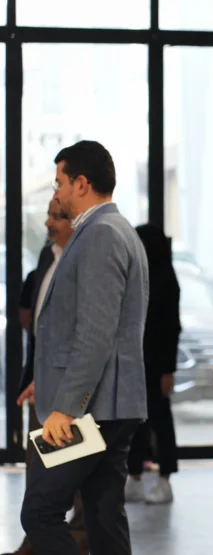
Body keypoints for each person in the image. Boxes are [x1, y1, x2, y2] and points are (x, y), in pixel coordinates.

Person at [21, 141, 149, 555]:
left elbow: (96, 333)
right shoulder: (113, 230)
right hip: (110, 404)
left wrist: (66, 406)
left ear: (81, 183)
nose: (56, 193)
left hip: (95, 407)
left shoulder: (101, 234)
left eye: (59, 182)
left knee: (40, 511)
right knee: (103, 514)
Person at [5, 200, 87, 555]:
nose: (48, 223)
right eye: (49, 215)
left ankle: (78, 538)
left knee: (75, 469)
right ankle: (35, 539)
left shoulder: (85, 257)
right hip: (41, 377)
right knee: (38, 465)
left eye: (57, 217)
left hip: (72, 382)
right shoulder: (46, 256)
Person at [125, 224, 182, 505]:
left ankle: (165, 479)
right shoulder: (140, 275)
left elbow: (171, 328)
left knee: (160, 422)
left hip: (158, 365)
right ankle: (134, 476)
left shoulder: (166, 279)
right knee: (136, 422)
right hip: (137, 362)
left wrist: (168, 370)